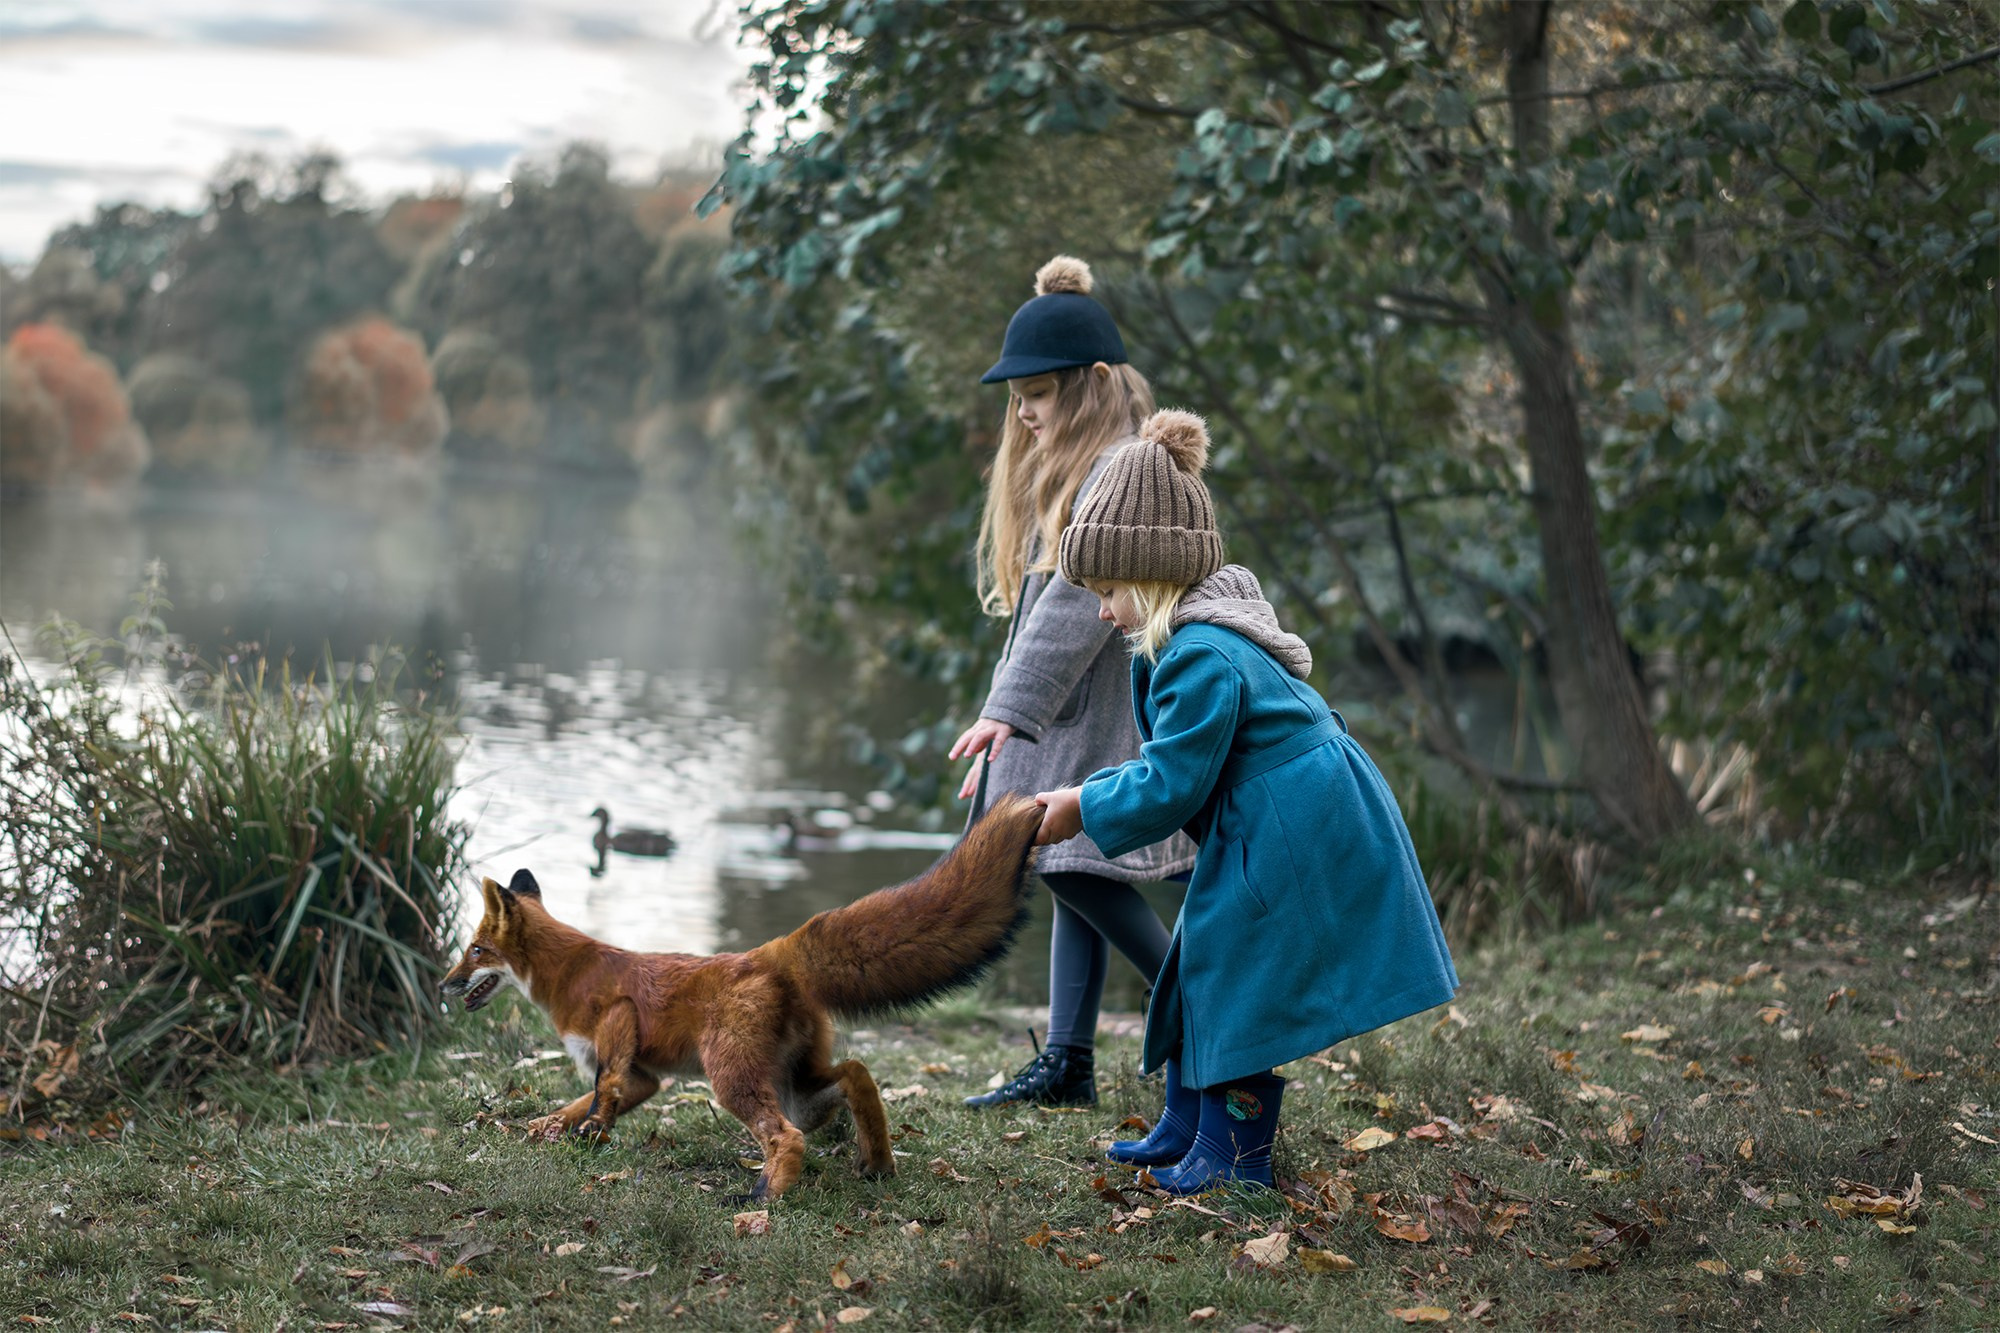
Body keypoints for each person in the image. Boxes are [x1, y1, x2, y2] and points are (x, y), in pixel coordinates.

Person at [1032, 408, 1459, 1194]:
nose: (1101, 610)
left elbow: (1170, 783)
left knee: (1235, 969)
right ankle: (1188, 1122)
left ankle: (1235, 1155)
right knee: (1200, 955)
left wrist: (1083, 804)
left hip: (1300, 823)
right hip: (1275, 814)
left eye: (1109, 589)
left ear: (1154, 575)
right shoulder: (1191, 641)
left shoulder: (1200, 655)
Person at [948, 255, 1196, 1109]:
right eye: (1016, 395)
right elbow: (1033, 612)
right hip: (1073, 711)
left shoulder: (1122, 466)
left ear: (1093, 384)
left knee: (1071, 861)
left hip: (1102, 708)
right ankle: (1070, 1060)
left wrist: (1008, 714)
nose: (1022, 412)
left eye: (1039, 394)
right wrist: (1008, 717)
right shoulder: (1083, 468)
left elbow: (1068, 607)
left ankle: (1199, 1007)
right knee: (1069, 860)